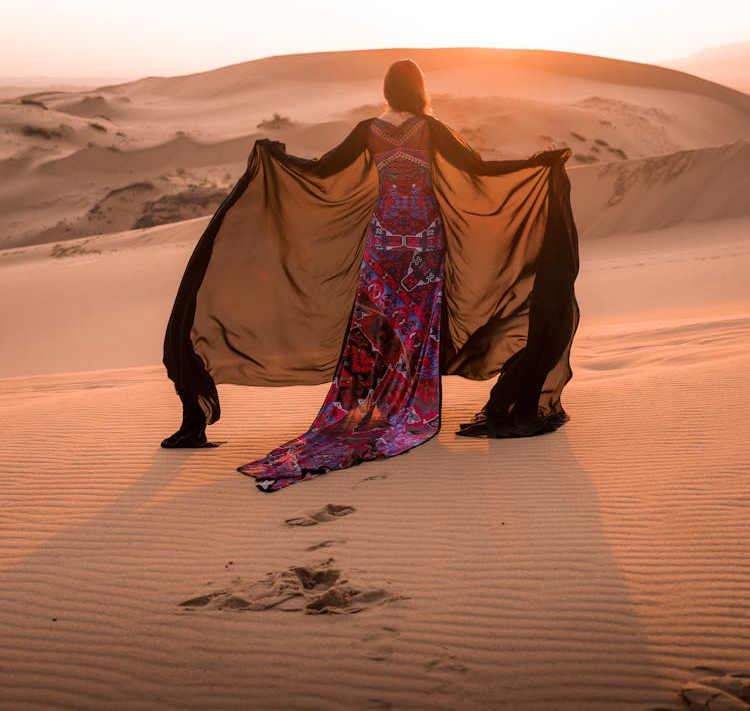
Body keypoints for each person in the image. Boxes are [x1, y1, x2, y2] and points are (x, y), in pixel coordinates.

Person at [161, 59, 580, 494]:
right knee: (417, 329)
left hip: (382, 243)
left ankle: (376, 408)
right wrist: (539, 164)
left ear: (386, 89)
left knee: (376, 326)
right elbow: (479, 168)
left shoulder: (368, 130)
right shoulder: (430, 128)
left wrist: (278, 156)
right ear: (418, 89)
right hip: (423, 243)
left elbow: (321, 168)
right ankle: (406, 410)